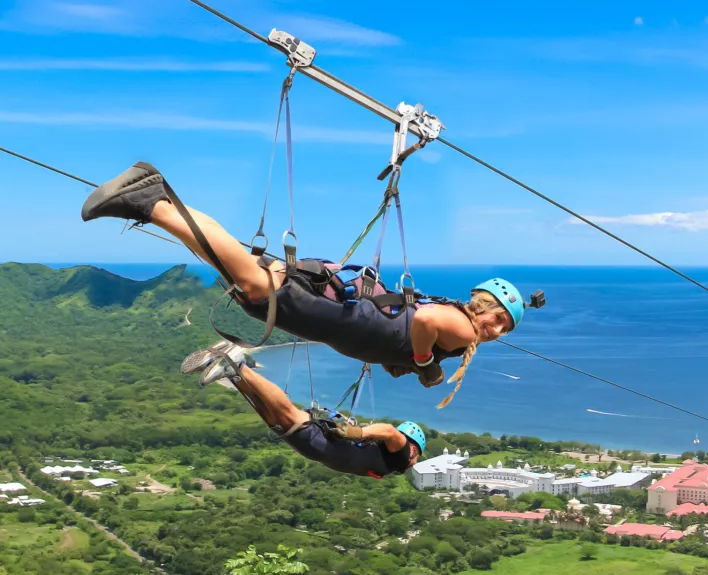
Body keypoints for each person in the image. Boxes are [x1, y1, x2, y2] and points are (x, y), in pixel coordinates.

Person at [81, 161, 540, 405]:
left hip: (337, 310)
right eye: (498, 319)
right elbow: (422, 323)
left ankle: (153, 204)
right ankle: (152, 198)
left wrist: (407, 361)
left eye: (504, 327)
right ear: (482, 307)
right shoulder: (462, 327)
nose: (497, 330)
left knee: (243, 277)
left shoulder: (462, 328)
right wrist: (423, 361)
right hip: (337, 313)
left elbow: (403, 333)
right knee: (251, 283)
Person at [187, 343, 425, 478]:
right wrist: (356, 433)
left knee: (274, 420)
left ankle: (231, 372)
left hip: (323, 447)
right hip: (325, 444)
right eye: (417, 456)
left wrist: (358, 434)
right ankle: (237, 365)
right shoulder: (401, 454)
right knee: (287, 415)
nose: (414, 463)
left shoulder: (388, 460)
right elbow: (391, 431)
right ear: (413, 448)